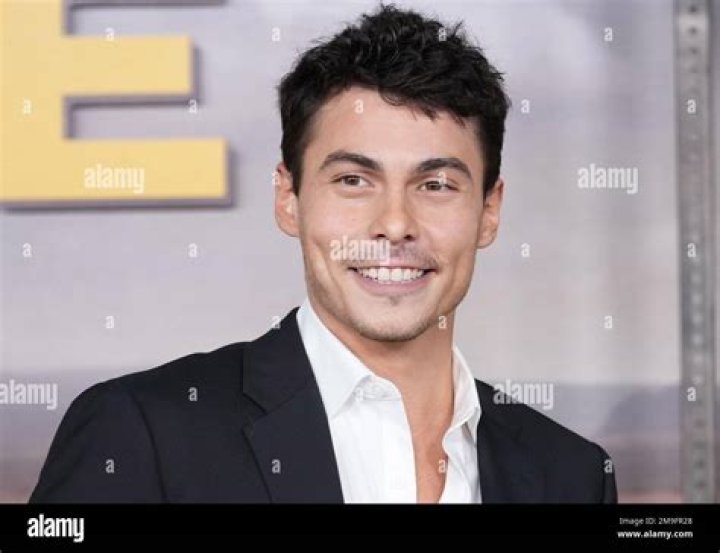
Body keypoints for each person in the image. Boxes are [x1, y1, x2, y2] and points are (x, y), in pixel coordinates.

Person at [30, 3, 616, 503]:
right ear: (288, 199)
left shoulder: (572, 475)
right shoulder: (140, 434)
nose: (395, 225)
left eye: (436, 184)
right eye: (353, 181)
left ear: (489, 209)